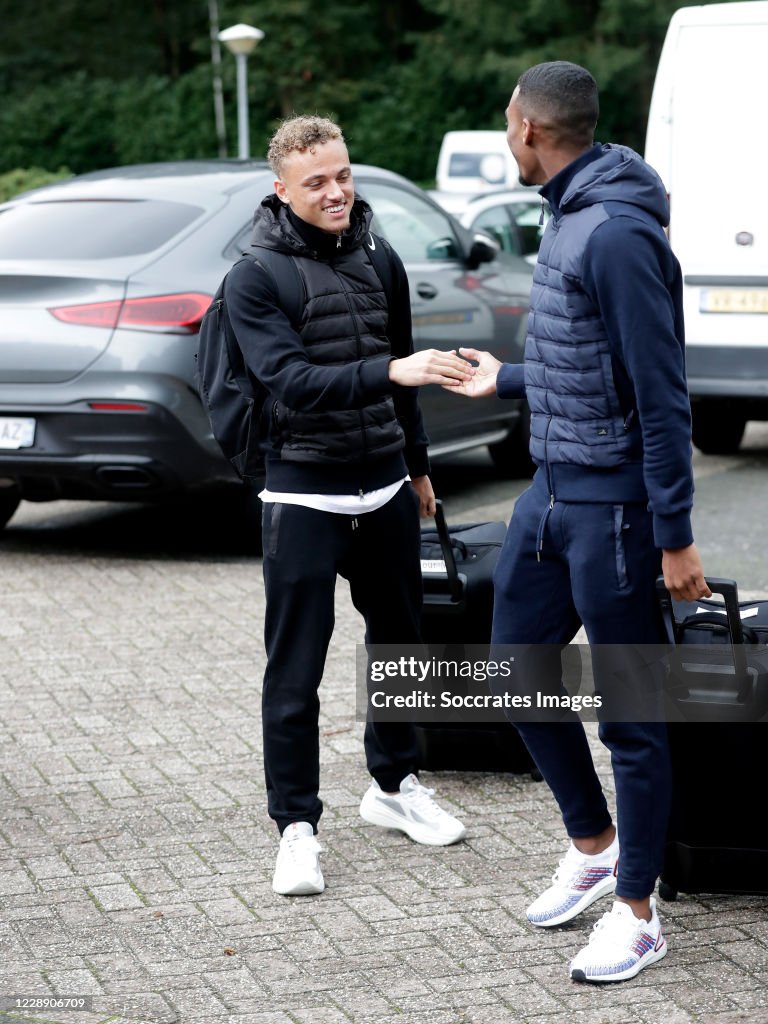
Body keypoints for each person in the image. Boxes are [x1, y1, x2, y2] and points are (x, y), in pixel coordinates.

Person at [448, 62, 710, 982]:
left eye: (506, 120)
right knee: (517, 674)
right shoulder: (569, 208)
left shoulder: (617, 232)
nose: (505, 131)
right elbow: (586, 360)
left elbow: (661, 393)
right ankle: (594, 843)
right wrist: (506, 379)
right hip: (548, 496)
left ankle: (638, 910)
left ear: (528, 128)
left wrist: (673, 533)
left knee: (632, 718)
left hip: (619, 517)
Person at [225, 116, 472, 897]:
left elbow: (403, 376)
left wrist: (420, 467)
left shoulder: (380, 255)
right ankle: (295, 828)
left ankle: (393, 787)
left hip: (387, 487)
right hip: (304, 490)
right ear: (282, 190)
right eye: (315, 183)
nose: (335, 192)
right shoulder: (254, 276)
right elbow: (291, 381)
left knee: (400, 647)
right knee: (295, 669)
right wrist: (394, 372)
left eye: (342, 175)